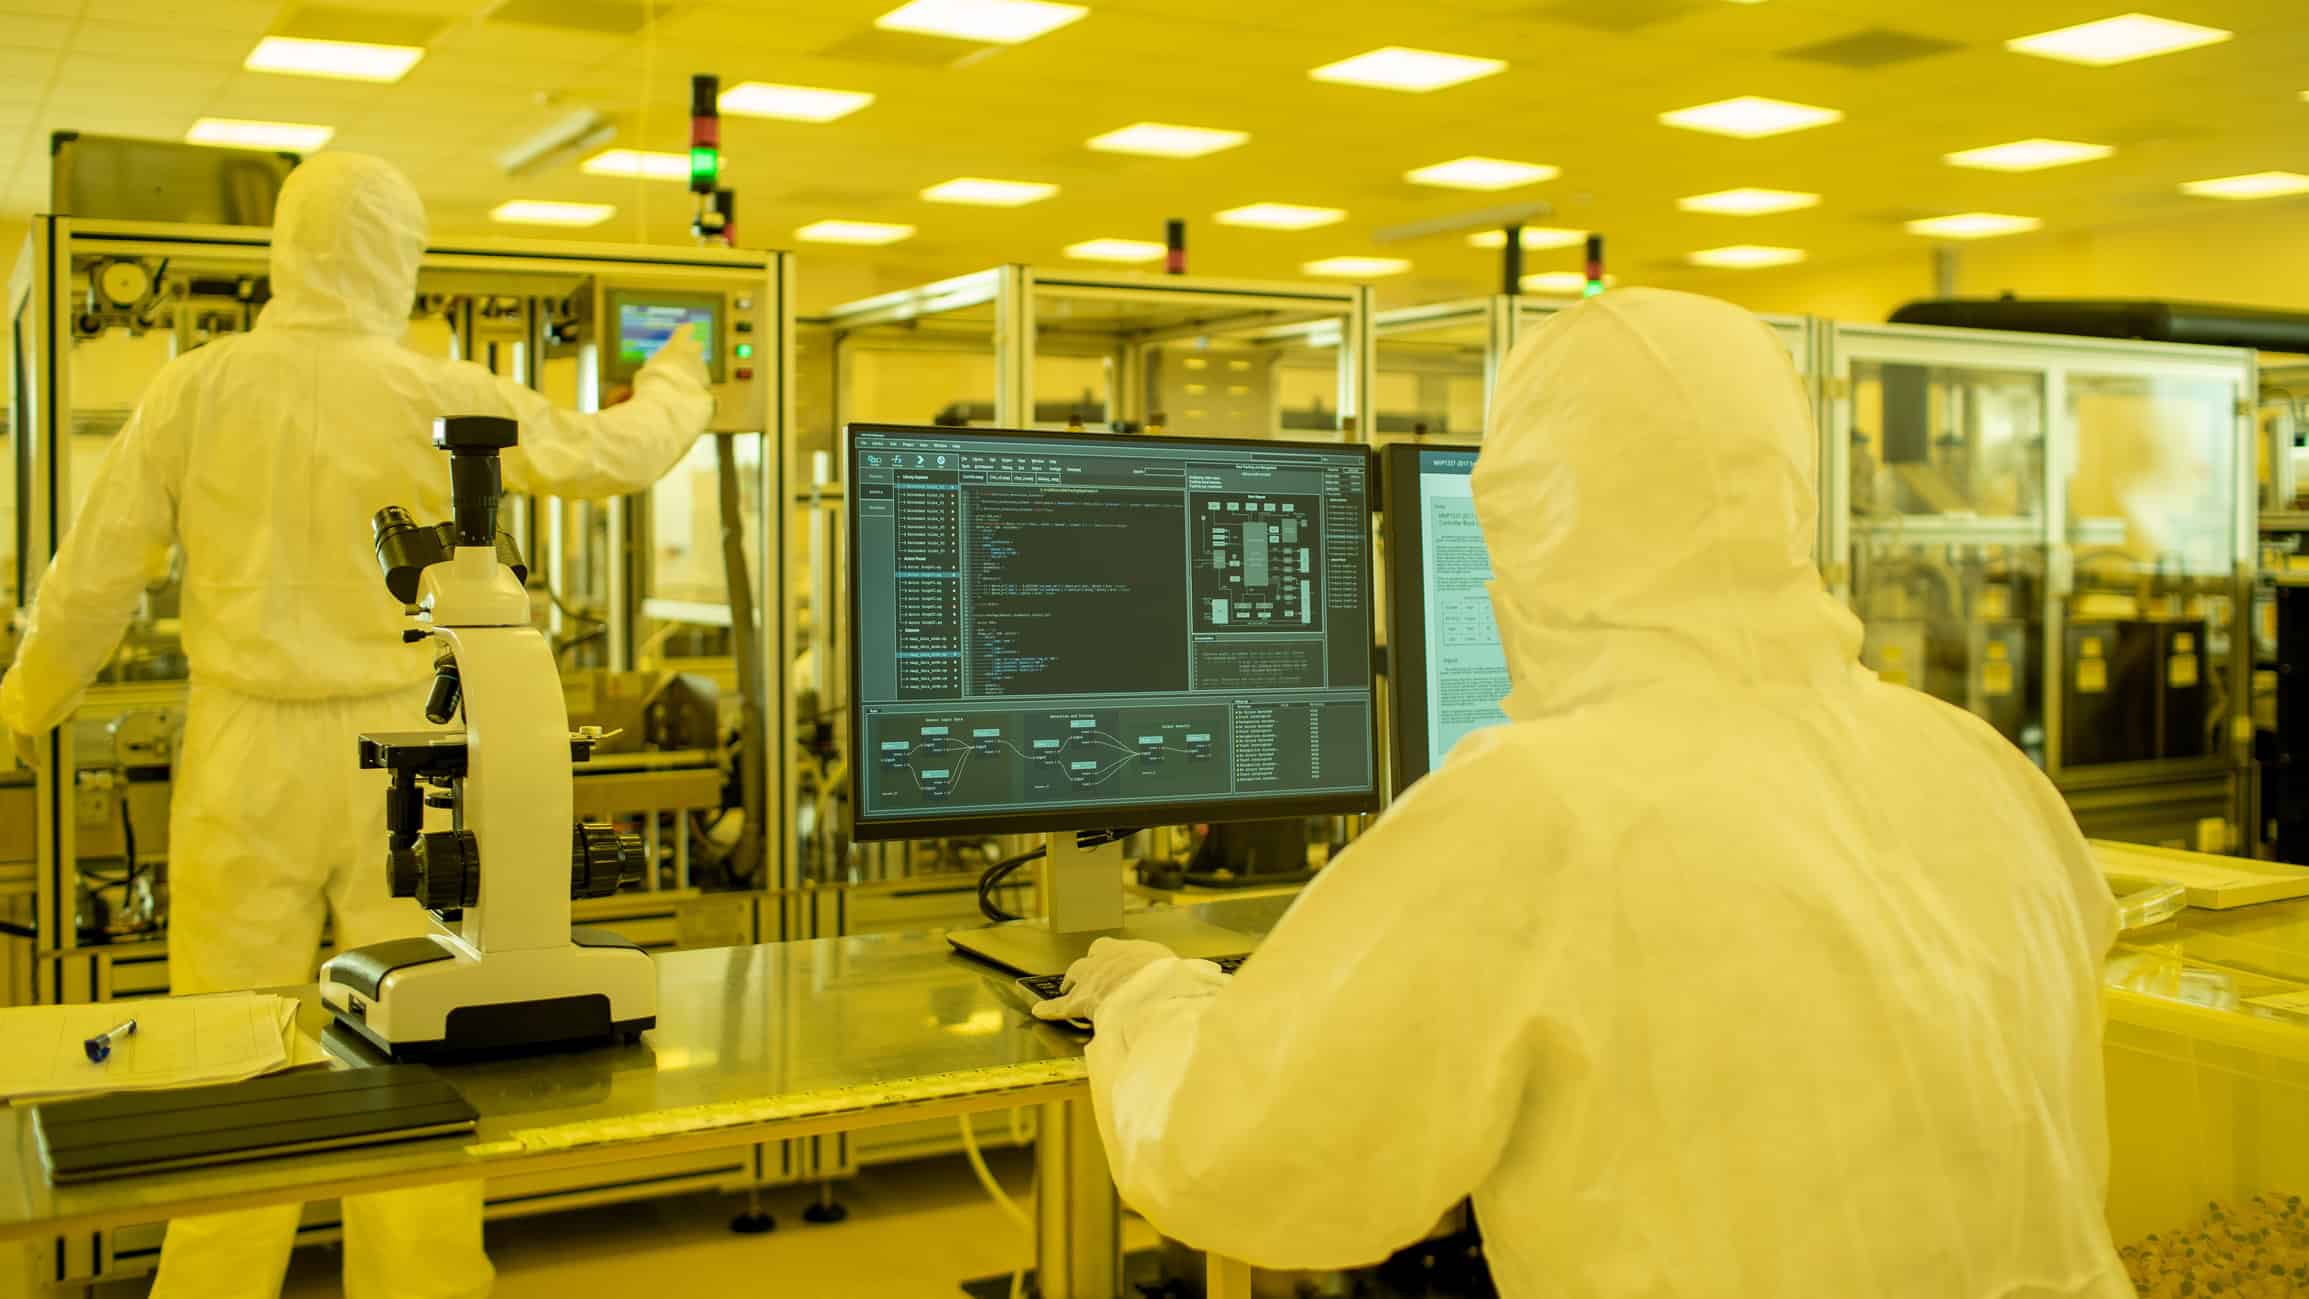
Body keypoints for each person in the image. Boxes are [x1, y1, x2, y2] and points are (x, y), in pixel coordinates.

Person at [1035, 288, 2130, 1298]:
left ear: (1526, 516)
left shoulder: (1539, 807)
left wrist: (1148, 1000)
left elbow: (1245, 1162)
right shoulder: (1977, 764)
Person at [0, 152, 714, 1299]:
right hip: (414, 750)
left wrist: (22, 715)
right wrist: (680, 377)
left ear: (284, 248)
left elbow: (90, 579)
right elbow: (610, 455)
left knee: (226, 1070)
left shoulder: (195, 385)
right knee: (421, 1058)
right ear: (401, 255)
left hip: (244, 759)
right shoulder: (433, 386)